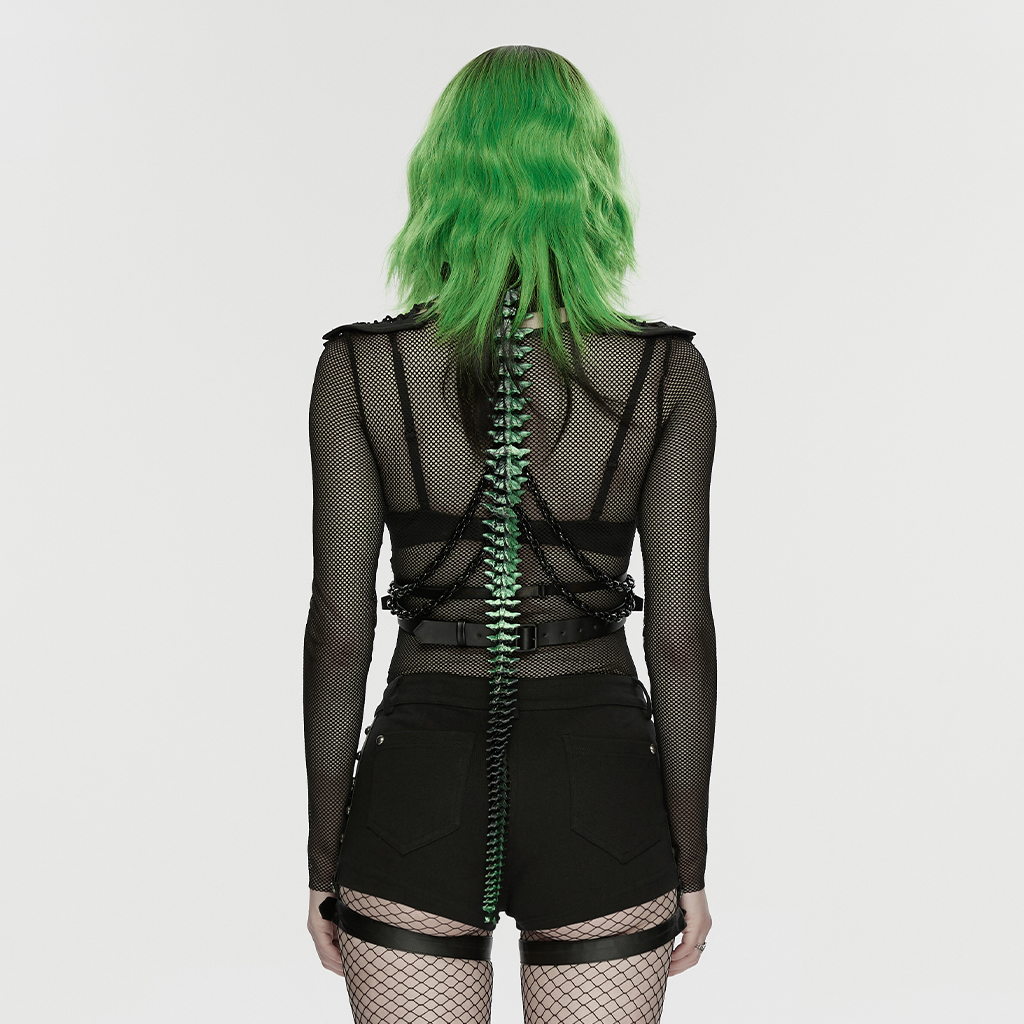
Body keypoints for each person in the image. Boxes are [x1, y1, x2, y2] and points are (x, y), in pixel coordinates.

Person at [303, 44, 717, 1024]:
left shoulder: (362, 367)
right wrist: (690, 862)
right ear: (589, 183)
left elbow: (339, 630)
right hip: (601, 788)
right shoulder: (663, 372)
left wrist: (323, 857)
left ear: (442, 180)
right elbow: (679, 637)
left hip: (416, 782)